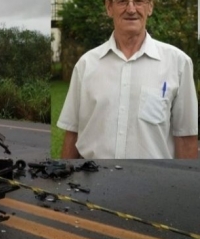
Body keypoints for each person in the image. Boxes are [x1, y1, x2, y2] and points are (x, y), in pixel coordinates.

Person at [56, 0, 198, 159]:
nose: (131, 9)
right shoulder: (86, 65)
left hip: (153, 180)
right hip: (92, 178)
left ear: (150, 7)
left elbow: (186, 137)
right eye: (122, 1)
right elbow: (73, 133)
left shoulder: (177, 64)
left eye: (139, 1)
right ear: (109, 8)